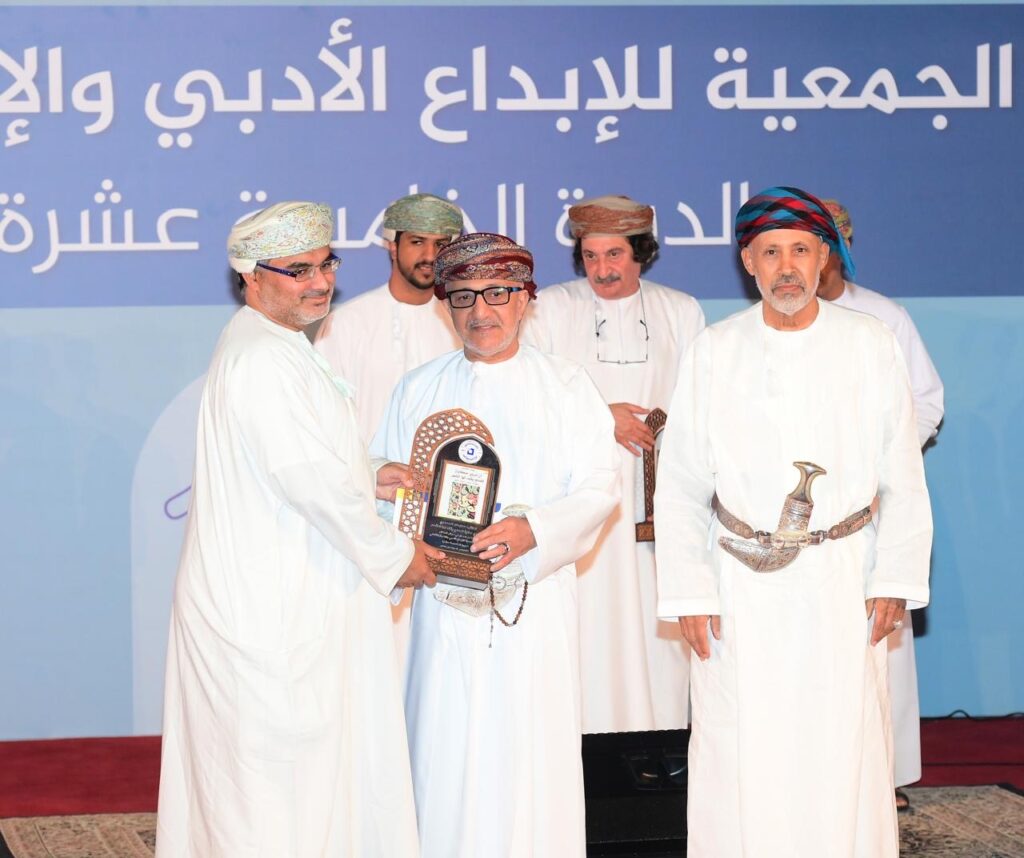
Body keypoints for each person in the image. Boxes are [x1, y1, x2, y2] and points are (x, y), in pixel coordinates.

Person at [156, 201, 440, 858]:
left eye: (326, 264)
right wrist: (398, 554)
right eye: (299, 271)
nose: (320, 282)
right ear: (251, 277)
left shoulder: (278, 343)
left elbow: (305, 458)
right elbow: (310, 484)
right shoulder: (262, 358)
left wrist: (369, 471)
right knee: (271, 797)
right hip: (265, 615)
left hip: (285, 599)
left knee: (301, 789)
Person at [655, 187, 932, 857]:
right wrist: (689, 591)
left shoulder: (869, 342)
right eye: (771, 252)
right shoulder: (715, 349)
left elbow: (901, 473)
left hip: (844, 576)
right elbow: (682, 482)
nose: (787, 268)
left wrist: (894, 578)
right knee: (742, 742)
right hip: (739, 585)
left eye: (801, 251)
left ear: (823, 259)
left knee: (841, 741)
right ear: (748, 262)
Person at [373, 232, 620, 858]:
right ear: (445, 305)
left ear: (526, 298)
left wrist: (534, 530)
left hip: (533, 612)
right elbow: (388, 488)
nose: (480, 311)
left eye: (498, 293)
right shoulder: (417, 389)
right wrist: (396, 513)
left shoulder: (566, 386)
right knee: (442, 757)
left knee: (528, 764)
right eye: (463, 297)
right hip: (441, 614)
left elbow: (601, 487)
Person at [524, 194, 704, 734]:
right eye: (591, 256)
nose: (602, 270)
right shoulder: (550, 309)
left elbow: (701, 402)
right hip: (583, 499)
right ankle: (582, 747)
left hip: (658, 502)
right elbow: (528, 393)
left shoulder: (681, 311)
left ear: (640, 253)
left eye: (614, 255)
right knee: (589, 623)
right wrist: (602, 416)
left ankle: (660, 742)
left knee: (655, 626)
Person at [819, 198, 945, 809]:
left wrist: (880, 462)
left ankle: (883, 777)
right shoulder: (762, 324)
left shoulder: (883, 316)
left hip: (873, 503)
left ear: (839, 249)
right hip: (796, 512)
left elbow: (926, 401)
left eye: (818, 246)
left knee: (878, 632)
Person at [315, 192, 464, 443]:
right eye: (417, 242)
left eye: (440, 244)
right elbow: (323, 414)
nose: (430, 256)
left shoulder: (462, 322)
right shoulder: (348, 322)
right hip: (367, 466)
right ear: (392, 246)